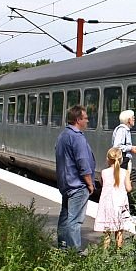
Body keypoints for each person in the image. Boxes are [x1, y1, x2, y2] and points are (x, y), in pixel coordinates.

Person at [55, 105, 96, 253]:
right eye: (86, 118)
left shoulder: (63, 135)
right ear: (78, 120)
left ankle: (63, 247)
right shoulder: (77, 137)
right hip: (78, 185)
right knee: (75, 220)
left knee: (65, 216)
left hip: (66, 183)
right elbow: (83, 163)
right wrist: (90, 184)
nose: (87, 121)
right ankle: (74, 252)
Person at [94, 147, 132, 249]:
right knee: (119, 231)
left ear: (108, 159)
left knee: (107, 232)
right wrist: (130, 183)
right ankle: (118, 252)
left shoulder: (103, 172)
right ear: (121, 159)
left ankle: (105, 253)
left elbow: (103, 185)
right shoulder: (125, 172)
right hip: (120, 205)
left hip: (107, 205)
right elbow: (128, 188)